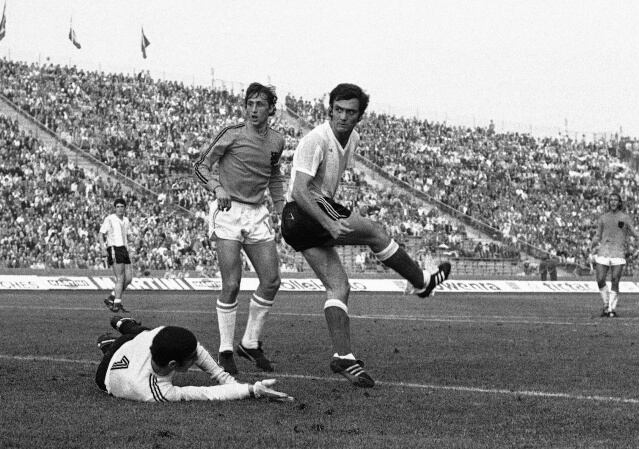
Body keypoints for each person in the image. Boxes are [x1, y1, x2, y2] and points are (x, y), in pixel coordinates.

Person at [280, 83, 451, 388]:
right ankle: (421, 282)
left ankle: (344, 357)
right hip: (304, 211)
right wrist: (329, 223)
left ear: (360, 117)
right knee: (375, 232)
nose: (343, 117)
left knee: (339, 287)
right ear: (330, 110)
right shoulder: (315, 140)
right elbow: (299, 190)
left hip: (302, 222)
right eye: (338, 110)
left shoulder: (353, 139)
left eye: (351, 112)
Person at [193, 82, 287, 375]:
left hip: (257, 213)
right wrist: (217, 187)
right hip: (228, 211)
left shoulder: (277, 141)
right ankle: (225, 350)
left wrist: (282, 208)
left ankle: (249, 342)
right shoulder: (232, 133)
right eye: (250, 104)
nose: (253, 109)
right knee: (232, 284)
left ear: (271, 109)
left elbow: (274, 175)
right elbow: (200, 166)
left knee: (271, 280)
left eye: (260, 104)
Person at [95, 316, 292, 402]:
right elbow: (205, 393)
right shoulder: (156, 391)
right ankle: (108, 345)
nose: (197, 357)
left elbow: (196, 349)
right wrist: (251, 390)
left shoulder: (159, 336)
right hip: (106, 374)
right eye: (192, 358)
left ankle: (123, 324)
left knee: (143, 332)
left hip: (131, 344)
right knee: (129, 339)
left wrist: (227, 380)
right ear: (173, 364)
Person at [592, 192, 639, 317]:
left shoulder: (625, 218)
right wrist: (592, 244)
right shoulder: (603, 218)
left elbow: (635, 234)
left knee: (615, 280)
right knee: (600, 279)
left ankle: (611, 309)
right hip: (604, 251)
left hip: (618, 253)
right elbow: (598, 235)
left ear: (619, 202)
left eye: (615, 200)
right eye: (611, 200)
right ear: (608, 202)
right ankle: (606, 304)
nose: (613, 202)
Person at [100, 198, 133, 313]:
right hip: (114, 248)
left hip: (124, 249)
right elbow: (101, 233)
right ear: (115, 208)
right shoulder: (110, 219)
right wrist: (103, 248)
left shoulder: (126, 220)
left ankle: (111, 298)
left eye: (122, 206)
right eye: (117, 207)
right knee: (120, 277)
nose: (120, 209)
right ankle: (117, 303)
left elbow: (128, 235)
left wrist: (134, 239)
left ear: (125, 208)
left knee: (128, 279)